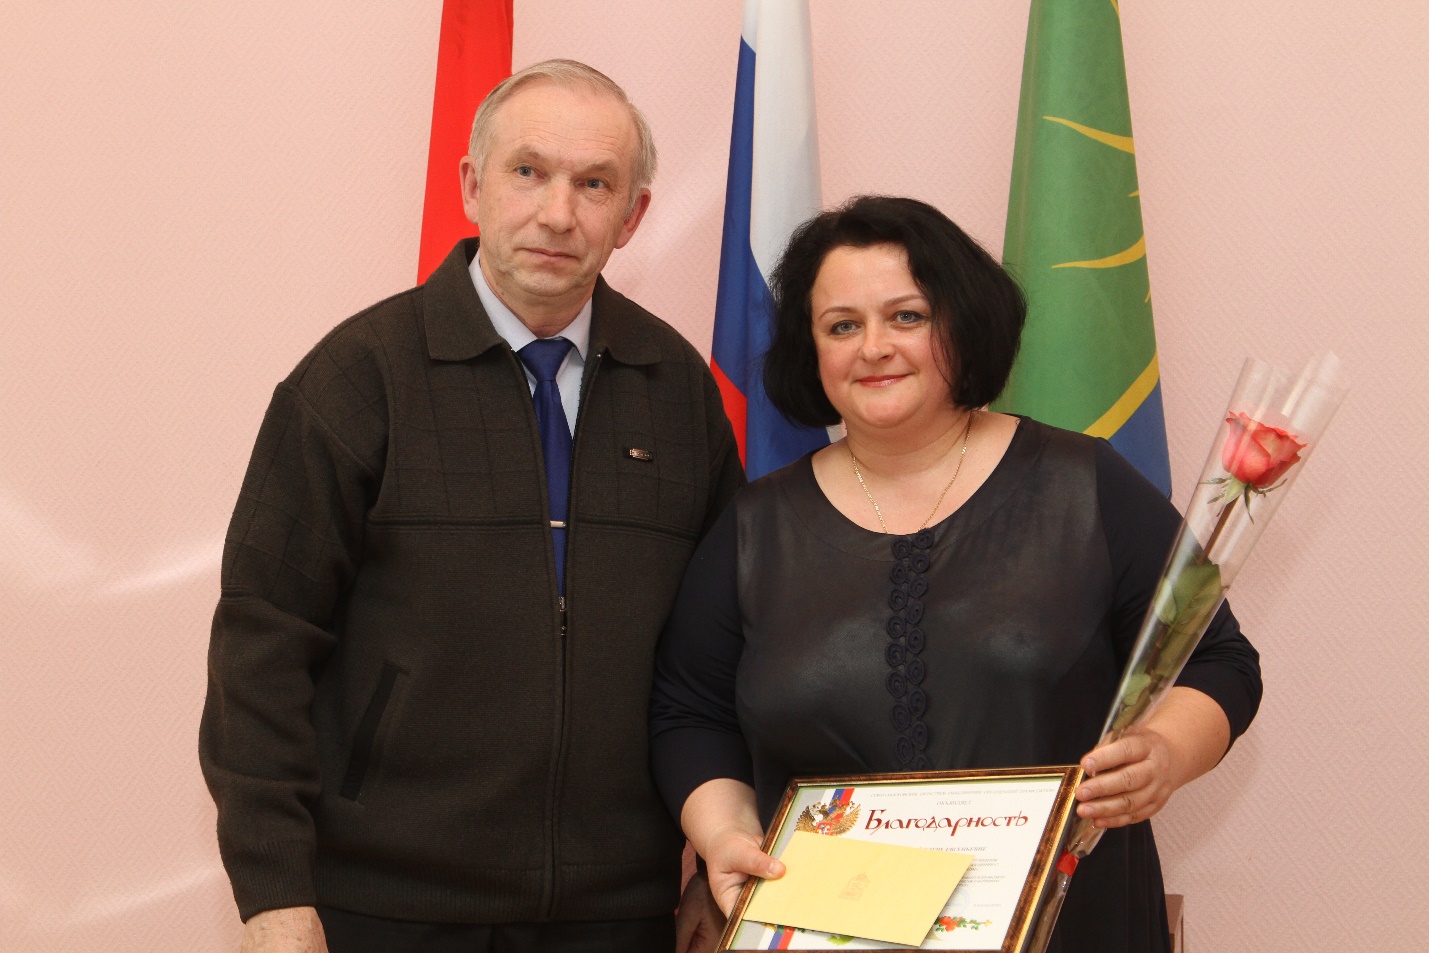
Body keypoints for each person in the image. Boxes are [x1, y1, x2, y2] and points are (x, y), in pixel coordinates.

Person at [200, 60, 742, 953]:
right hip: (386, 908)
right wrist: (273, 891)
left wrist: (712, 861)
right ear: (471, 186)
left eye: (594, 183)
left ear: (631, 215)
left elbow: (721, 657)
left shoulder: (677, 388)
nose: (557, 212)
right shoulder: (357, 378)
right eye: (528, 171)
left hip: (617, 913)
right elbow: (261, 643)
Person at [649, 196, 1262, 953]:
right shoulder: (752, 526)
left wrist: (1164, 752)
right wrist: (724, 832)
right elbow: (690, 711)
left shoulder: (1086, 484)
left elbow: (1215, 658)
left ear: (962, 325)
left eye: (906, 316)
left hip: (1069, 922)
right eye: (841, 326)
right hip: (829, 925)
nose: (873, 347)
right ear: (810, 350)